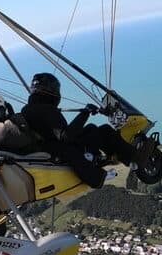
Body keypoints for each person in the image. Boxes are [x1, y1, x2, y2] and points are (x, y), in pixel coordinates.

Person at [17, 72, 153, 188]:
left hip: (48, 146)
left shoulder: (28, 109)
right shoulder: (46, 109)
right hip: (60, 150)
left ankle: (105, 157)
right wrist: (85, 113)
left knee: (91, 129)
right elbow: (66, 136)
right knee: (105, 131)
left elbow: (54, 132)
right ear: (51, 91)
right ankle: (134, 159)